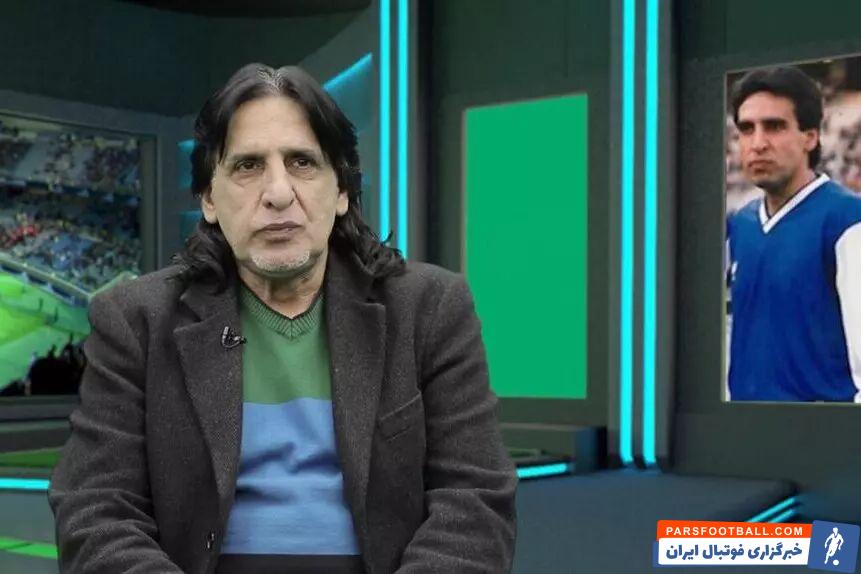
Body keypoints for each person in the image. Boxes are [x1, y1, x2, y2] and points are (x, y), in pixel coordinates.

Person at [49, 64, 517, 573]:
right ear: (209, 199)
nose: (277, 193)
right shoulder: (134, 320)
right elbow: (96, 510)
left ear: (342, 191)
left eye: (302, 162)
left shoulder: (431, 308)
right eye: (248, 166)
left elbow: (474, 499)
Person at [727, 66, 861, 401]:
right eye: (746, 129)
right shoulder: (741, 224)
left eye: (774, 126)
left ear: (810, 137)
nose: (758, 144)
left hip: (817, 429)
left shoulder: (847, 219)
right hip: (743, 424)